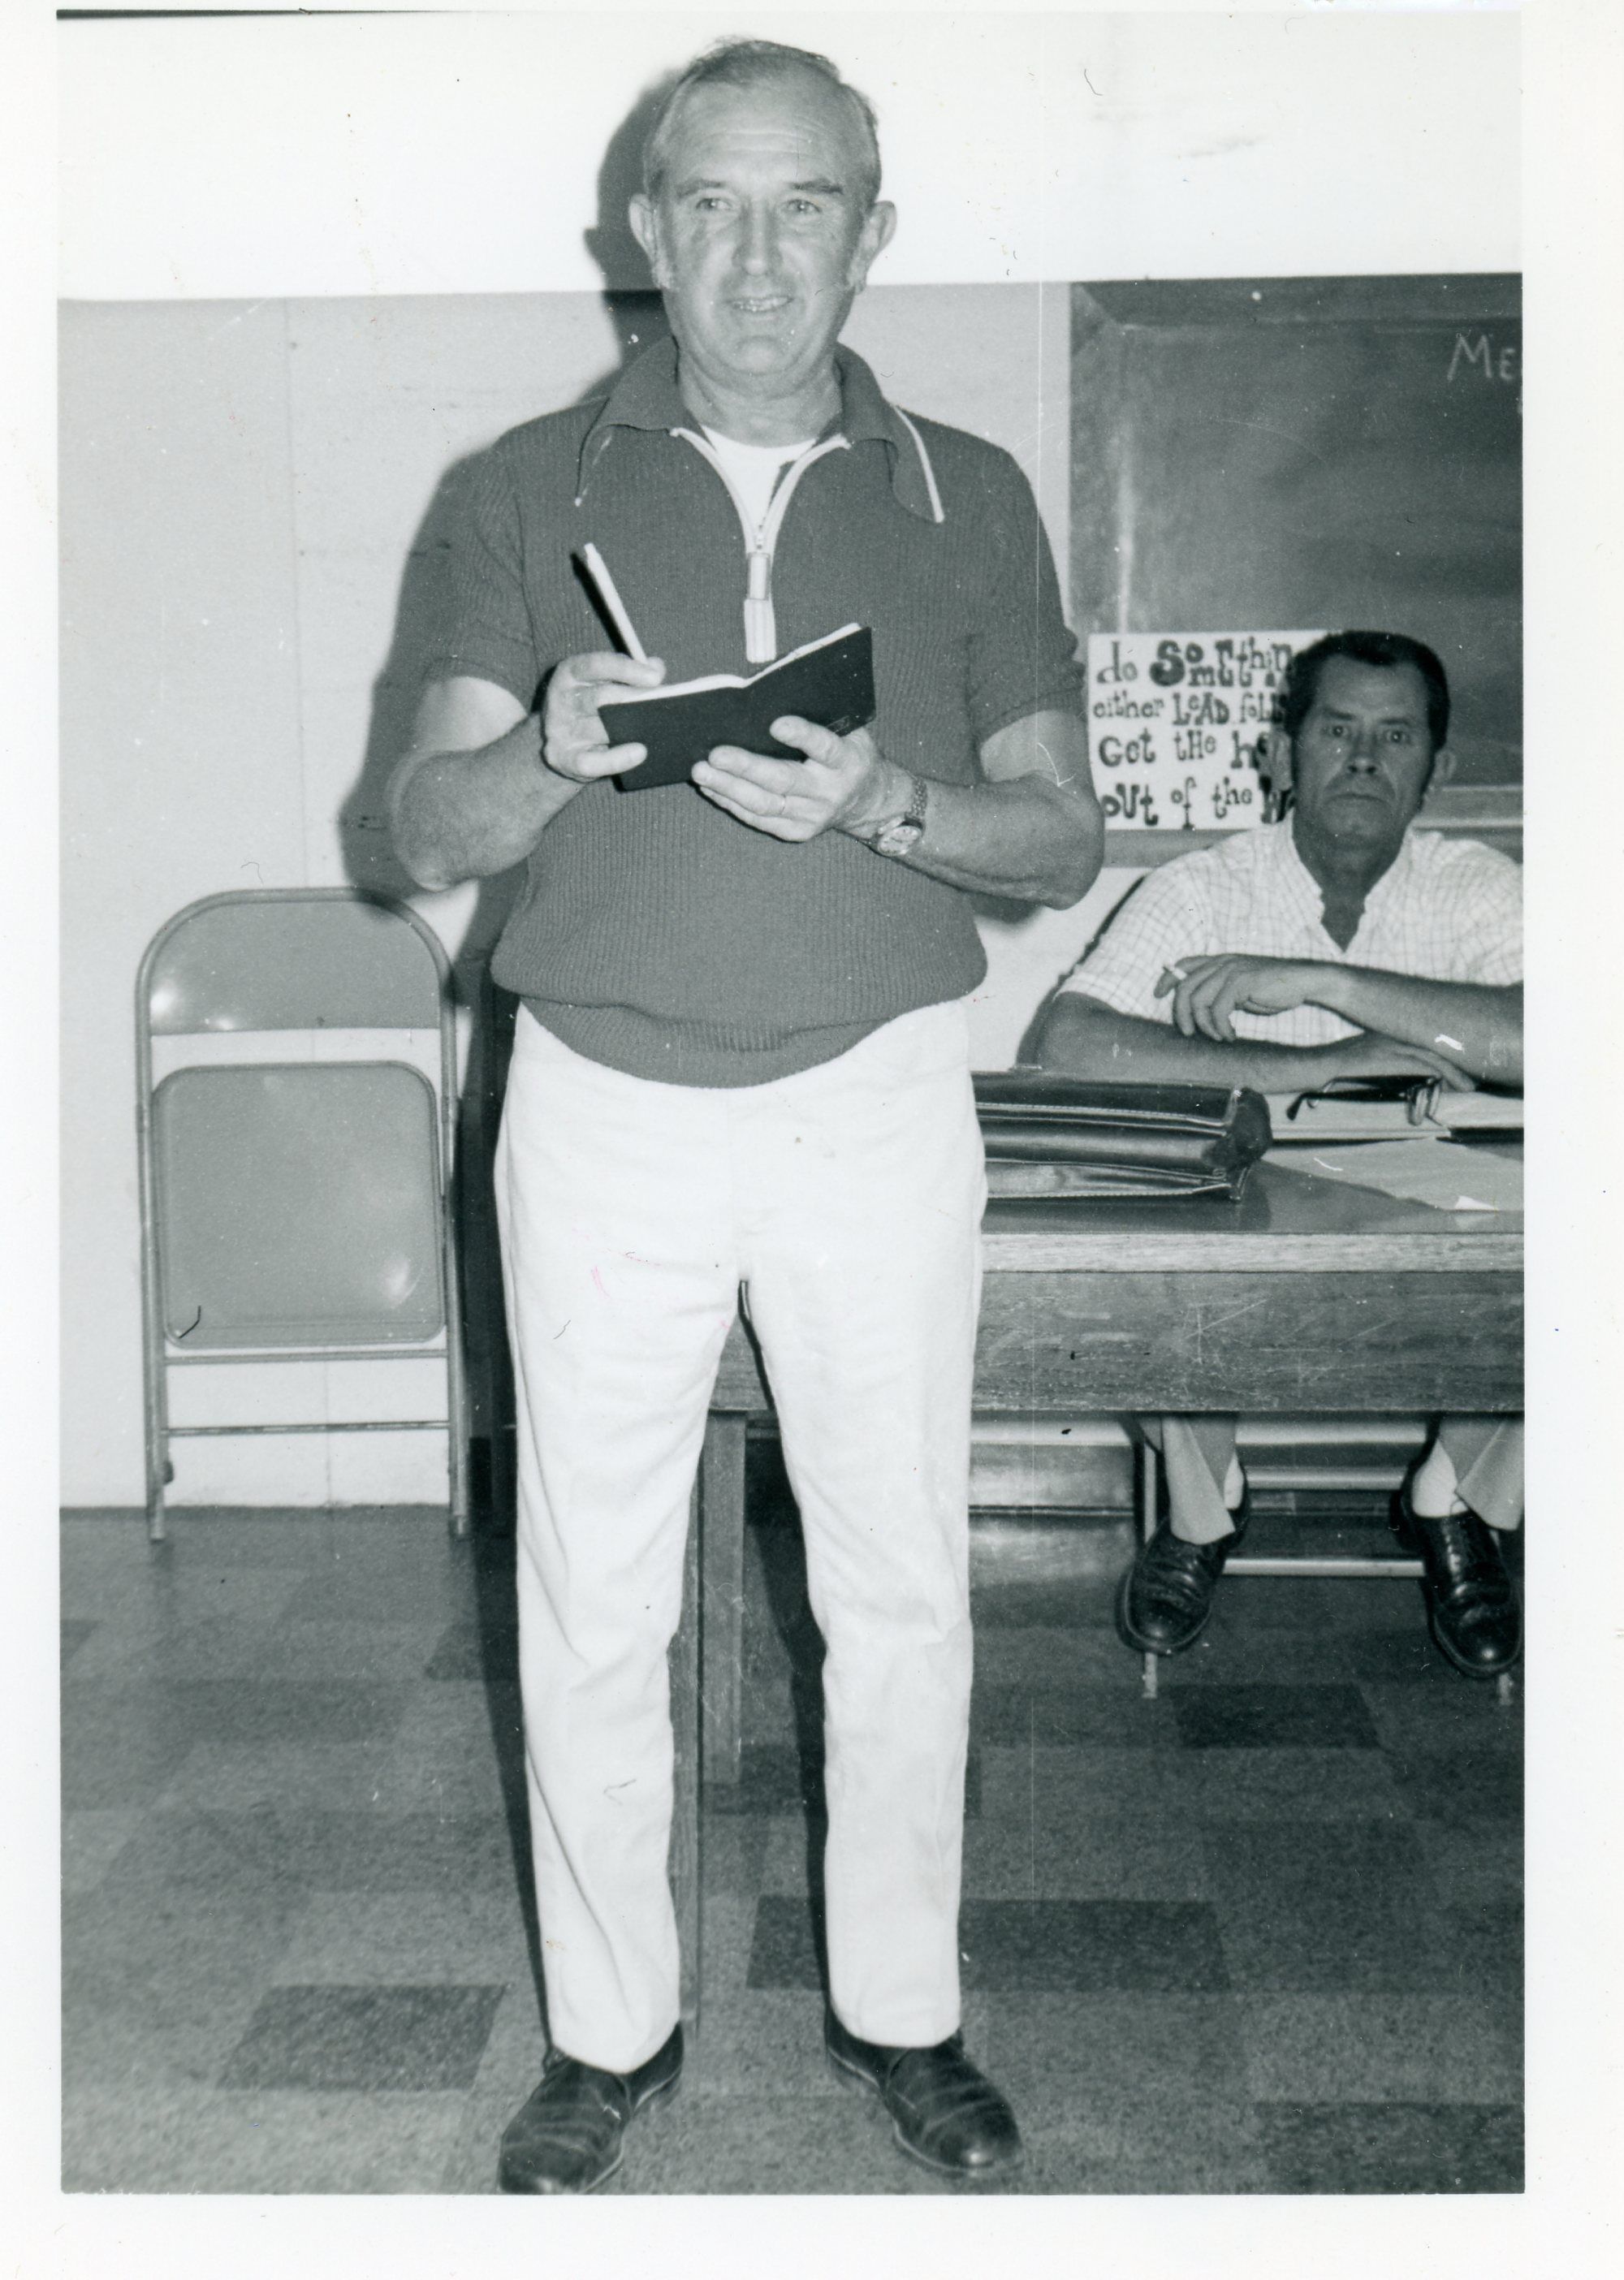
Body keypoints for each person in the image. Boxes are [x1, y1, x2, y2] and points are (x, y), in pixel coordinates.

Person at [390, 39, 1102, 2191]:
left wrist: (887, 800)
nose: (760, 255)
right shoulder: (523, 484)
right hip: (601, 1100)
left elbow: (1061, 832)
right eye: (713, 203)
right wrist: (546, 748)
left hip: (876, 1099)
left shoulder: (974, 490)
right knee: (591, 1590)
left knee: (897, 1587)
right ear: (645, 227)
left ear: (874, 233)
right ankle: (607, 2034)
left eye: (807, 207)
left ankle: (905, 2013)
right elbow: (418, 829)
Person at [1033, 631, 1522, 1679]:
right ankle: (1203, 1510)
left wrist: (1326, 983)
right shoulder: (1203, 885)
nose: (1364, 759)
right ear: (1280, 754)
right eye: (1336, 730)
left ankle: (1455, 1498)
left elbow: (1561, 1036)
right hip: (1250, 1204)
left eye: (1396, 737)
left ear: (1437, 769)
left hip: (1431, 1215)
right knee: (1138, 1233)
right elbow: (1066, 1045)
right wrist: (1317, 1065)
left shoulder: (1478, 886)